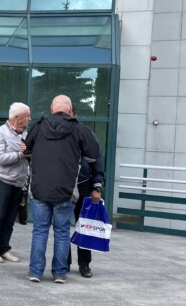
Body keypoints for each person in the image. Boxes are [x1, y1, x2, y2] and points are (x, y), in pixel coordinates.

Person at [23, 95, 99, 284]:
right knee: (62, 232)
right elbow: (93, 155)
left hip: (40, 188)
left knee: (40, 230)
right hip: (66, 190)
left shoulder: (38, 126)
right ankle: (59, 273)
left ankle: (35, 272)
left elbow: (26, 151)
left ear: (51, 108)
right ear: (70, 109)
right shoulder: (79, 128)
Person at [0, 103, 31, 264]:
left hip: (18, 183)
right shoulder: (0, 133)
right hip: (1, 181)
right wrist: (20, 155)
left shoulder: (26, 133)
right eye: (27, 116)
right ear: (17, 117)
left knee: (10, 219)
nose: (29, 119)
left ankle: (4, 248)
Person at [67, 105, 105, 278]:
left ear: (75, 115)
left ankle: (84, 264)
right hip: (63, 187)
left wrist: (97, 186)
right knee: (61, 228)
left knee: (85, 227)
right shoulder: (57, 135)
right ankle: (63, 262)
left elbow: (98, 160)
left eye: (68, 114)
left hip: (83, 186)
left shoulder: (87, 134)